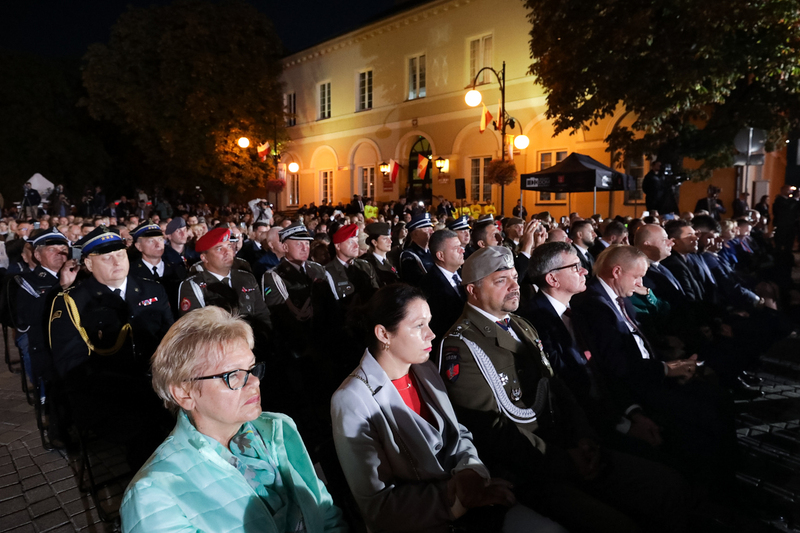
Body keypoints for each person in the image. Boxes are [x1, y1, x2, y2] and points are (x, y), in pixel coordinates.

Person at [439, 246, 688, 533]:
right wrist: (565, 459)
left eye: (514, 278)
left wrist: (584, 437)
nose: (513, 287)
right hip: (532, 470)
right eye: (500, 281)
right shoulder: (462, 346)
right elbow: (491, 430)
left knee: (667, 485)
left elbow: (558, 388)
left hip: (571, 447)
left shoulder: (520, 325)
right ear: (472, 290)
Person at [331, 284, 565, 533]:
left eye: (429, 323)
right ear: (383, 334)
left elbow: (458, 432)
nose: (431, 334)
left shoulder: (424, 369)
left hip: (470, 508)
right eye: (419, 325)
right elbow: (379, 507)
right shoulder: (352, 400)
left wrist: (471, 470)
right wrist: (458, 498)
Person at [120, 306, 347, 533]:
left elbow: (325, 513)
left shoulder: (277, 429)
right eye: (232, 375)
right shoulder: (154, 493)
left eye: (250, 369)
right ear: (184, 393)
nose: (254, 382)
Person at [178, 228, 272, 347]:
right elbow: (194, 329)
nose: (227, 252)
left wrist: (263, 341)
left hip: (254, 346)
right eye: (219, 248)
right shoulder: (193, 285)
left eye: (228, 246)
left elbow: (262, 314)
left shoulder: (246, 278)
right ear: (204, 258)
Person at [419, 229, 467, 340]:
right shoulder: (429, 285)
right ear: (441, 256)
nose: (462, 251)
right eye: (456, 248)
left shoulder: (465, 273)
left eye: (461, 246)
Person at [399, 213, 435, 285]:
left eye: (431, 228)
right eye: (427, 229)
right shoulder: (409, 255)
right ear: (416, 234)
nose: (432, 232)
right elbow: (415, 281)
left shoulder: (433, 251)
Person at [361, 222, 399, 287]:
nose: (390, 241)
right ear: (374, 242)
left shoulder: (392, 259)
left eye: (390, 238)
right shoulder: (368, 264)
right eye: (385, 239)